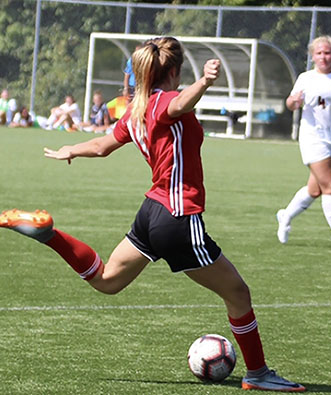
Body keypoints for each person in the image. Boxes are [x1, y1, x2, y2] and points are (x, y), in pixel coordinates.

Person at [0, 37, 304, 392]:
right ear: (174, 72)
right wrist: (204, 81)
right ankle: (258, 374)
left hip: (152, 211)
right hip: (178, 216)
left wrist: (72, 148)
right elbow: (180, 104)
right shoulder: (164, 103)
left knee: (107, 280)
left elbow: (102, 146)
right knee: (238, 294)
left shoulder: (136, 111)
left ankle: (48, 234)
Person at [277, 35, 331, 251]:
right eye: (319, 53)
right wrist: (294, 102)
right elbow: (290, 103)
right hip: (312, 138)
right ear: (312, 56)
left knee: (315, 189)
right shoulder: (305, 78)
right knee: (330, 186)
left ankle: (285, 215)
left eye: (327, 53)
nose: (323, 57)